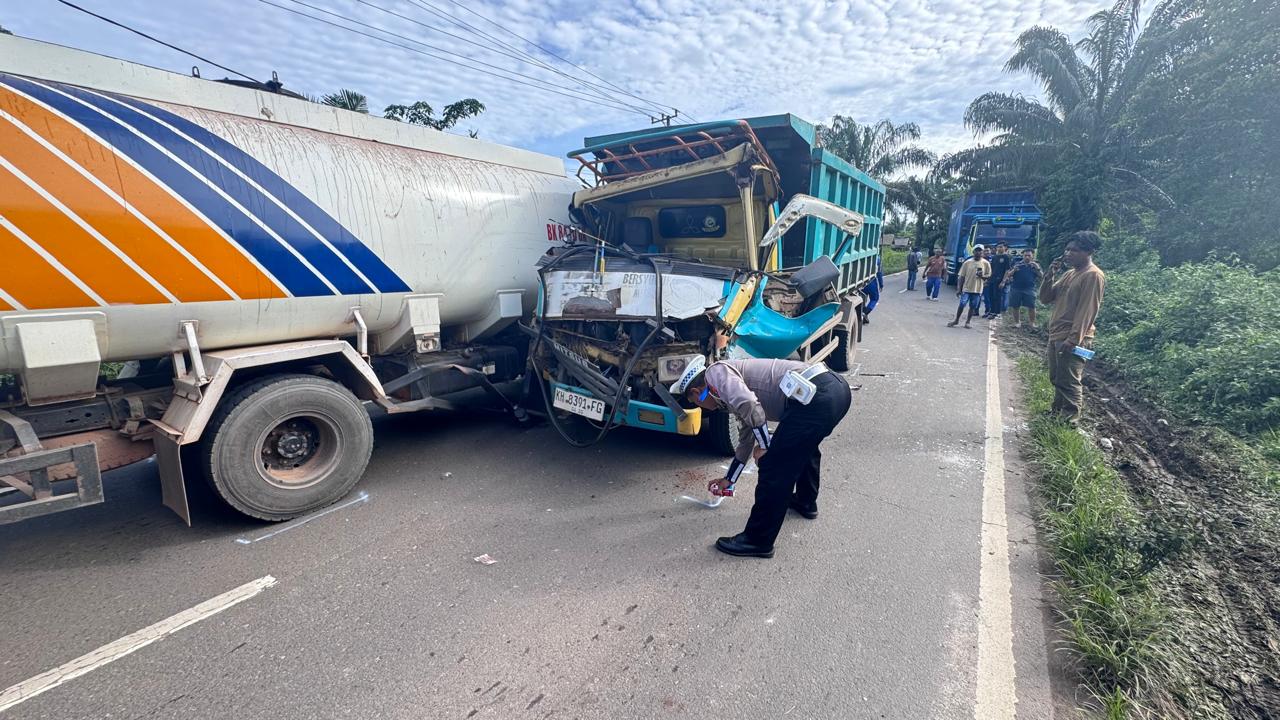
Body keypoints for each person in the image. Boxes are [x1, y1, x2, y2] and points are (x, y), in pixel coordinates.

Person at [672, 356, 853, 558]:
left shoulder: (716, 373)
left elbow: (750, 405)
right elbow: (746, 439)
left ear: (697, 392)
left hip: (819, 396)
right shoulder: (725, 391)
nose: (700, 408)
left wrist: (766, 446)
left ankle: (757, 540)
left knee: (773, 466)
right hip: (835, 391)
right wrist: (729, 480)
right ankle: (805, 501)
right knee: (803, 447)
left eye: (696, 403)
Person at [1038, 231, 1106, 424]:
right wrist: (1049, 275)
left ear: (1089, 252)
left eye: (1074, 250)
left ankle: (1069, 422)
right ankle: (1057, 413)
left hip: (1074, 338)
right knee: (1057, 377)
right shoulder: (1070, 274)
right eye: (1067, 250)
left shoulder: (1093, 276)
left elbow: (1088, 310)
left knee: (1069, 381)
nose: (1068, 254)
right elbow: (1046, 298)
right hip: (1057, 334)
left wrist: (1073, 339)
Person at [948, 245, 990, 328]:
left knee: (973, 306)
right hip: (967, 288)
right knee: (962, 304)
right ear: (973, 252)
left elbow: (988, 277)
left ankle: (968, 322)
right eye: (976, 251)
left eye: (980, 251)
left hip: (977, 289)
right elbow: (961, 276)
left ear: (982, 252)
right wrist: (958, 288)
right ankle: (956, 320)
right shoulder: (967, 262)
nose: (978, 252)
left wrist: (982, 276)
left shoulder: (986, 263)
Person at [1002, 252, 1043, 327]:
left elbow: (1041, 276)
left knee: (1032, 306)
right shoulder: (1017, 264)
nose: (1027, 257)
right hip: (1016, 288)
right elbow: (1008, 275)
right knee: (1015, 306)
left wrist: (1037, 268)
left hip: (1030, 288)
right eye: (1025, 255)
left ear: (1032, 257)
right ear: (1023, 256)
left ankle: (1032, 323)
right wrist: (1014, 270)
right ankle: (1017, 322)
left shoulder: (1035, 265)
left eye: (1029, 256)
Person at [983, 242, 1013, 319]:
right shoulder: (994, 257)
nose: (999, 248)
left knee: (998, 296)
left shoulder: (1007, 257)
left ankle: (998, 313)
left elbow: (1007, 270)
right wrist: (987, 280)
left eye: (1001, 247)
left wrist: (1003, 281)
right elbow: (991, 270)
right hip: (992, 279)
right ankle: (992, 312)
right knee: (991, 296)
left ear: (1005, 248)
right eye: (998, 247)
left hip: (1000, 280)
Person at [862, 255, 883, 324]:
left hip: (860, 283)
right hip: (871, 283)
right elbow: (879, 273)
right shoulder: (877, 258)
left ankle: (863, 315)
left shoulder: (862, 256)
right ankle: (865, 313)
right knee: (874, 299)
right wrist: (881, 284)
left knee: (862, 299)